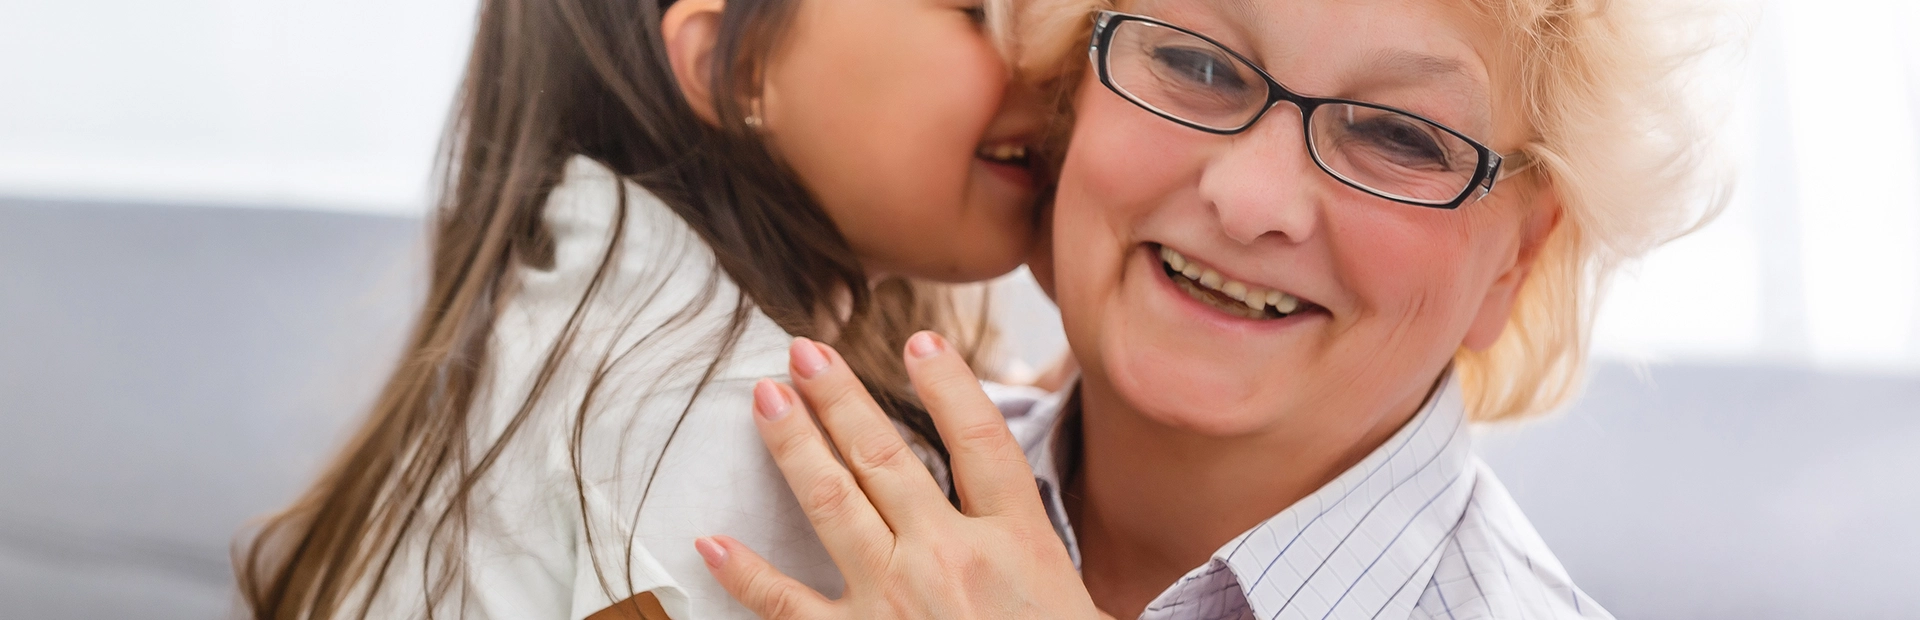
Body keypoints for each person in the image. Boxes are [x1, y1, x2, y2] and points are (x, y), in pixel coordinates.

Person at [700, 0, 1716, 617]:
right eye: (1193, 63)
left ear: (1518, 258)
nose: (1251, 199)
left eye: (1401, 136)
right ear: (1068, 102)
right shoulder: (794, 493)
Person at [234, 0, 1051, 618]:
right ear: (736, 70)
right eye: (979, 10)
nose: (1045, 54)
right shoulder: (729, 423)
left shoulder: (587, 315)